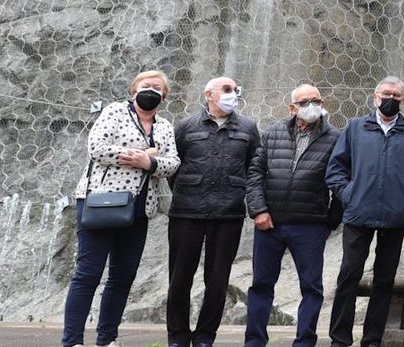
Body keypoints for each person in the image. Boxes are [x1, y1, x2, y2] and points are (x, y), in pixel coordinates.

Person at [63, 70, 180, 347]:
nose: (150, 90)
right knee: (88, 273)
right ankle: (72, 341)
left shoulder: (165, 126)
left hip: (139, 209)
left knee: (123, 275)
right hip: (101, 202)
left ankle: (107, 339)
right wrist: (143, 154)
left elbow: (173, 162)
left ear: (163, 96)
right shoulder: (115, 112)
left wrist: (150, 163)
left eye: (157, 87)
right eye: (145, 85)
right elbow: (97, 148)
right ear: (133, 90)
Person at [326, 76, 404, 347]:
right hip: (358, 214)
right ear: (374, 97)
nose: (390, 99)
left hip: (394, 217)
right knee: (349, 275)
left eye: (396, 96)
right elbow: (336, 169)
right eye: (386, 94)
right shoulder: (355, 128)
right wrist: (348, 195)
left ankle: (372, 339)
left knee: (384, 280)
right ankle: (339, 338)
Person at [244, 83, 343, 347]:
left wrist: (330, 221)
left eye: (316, 100)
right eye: (304, 102)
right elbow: (255, 173)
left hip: (310, 225)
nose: (312, 106)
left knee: (312, 288)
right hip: (269, 224)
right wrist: (258, 210)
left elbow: (342, 183)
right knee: (261, 285)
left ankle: (304, 341)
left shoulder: (336, 137)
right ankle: (254, 341)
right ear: (292, 108)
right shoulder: (273, 132)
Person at [167, 76, 260, 347]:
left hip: (228, 215)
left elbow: (254, 168)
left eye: (235, 90)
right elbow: (173, 168)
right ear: (209, 94)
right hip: (186, 213)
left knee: (217, 280)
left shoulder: (248, 128)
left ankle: (205, 336)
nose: (233, 94)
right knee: (179, 278)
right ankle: (178, 337)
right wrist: (190, 191)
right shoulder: (185, 126)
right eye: (227, 90)